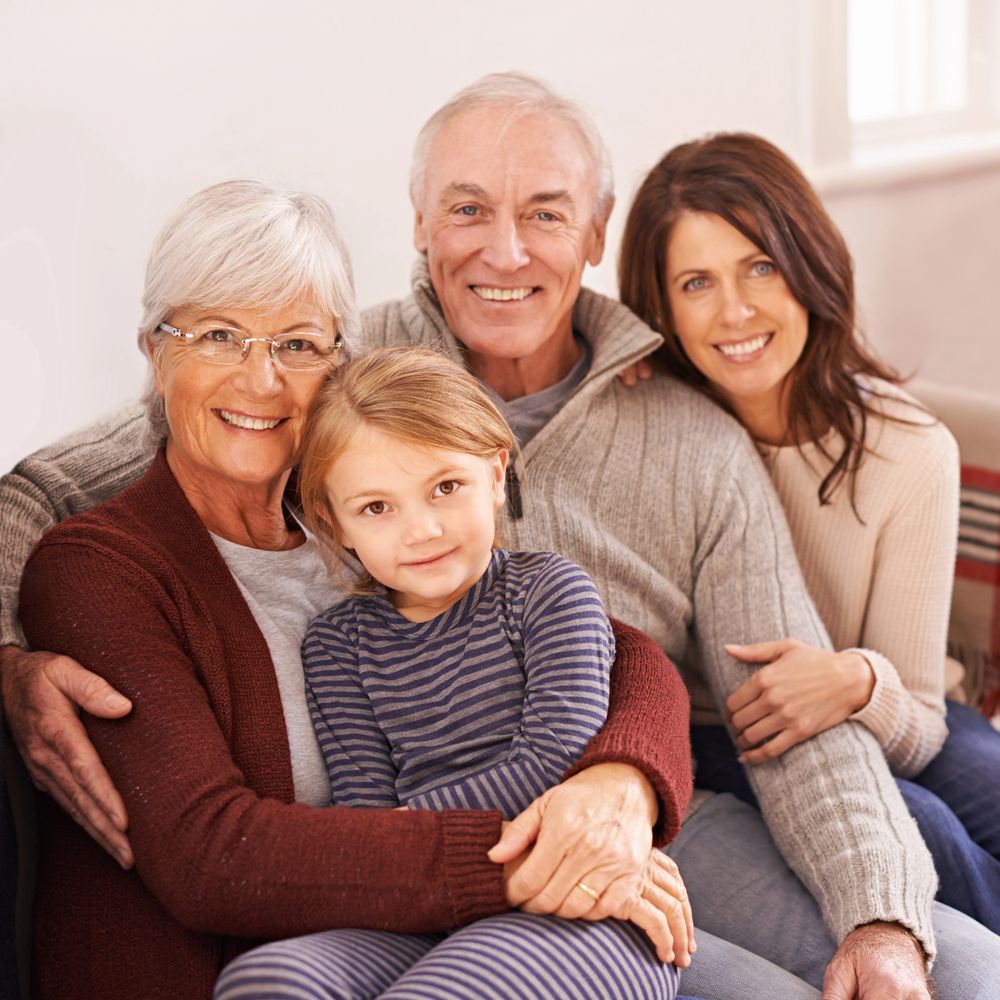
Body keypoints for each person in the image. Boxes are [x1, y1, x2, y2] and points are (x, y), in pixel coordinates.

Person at [4, 73, 1000, 999]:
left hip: (656, 803)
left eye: (546, 213)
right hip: (438, 857)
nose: (505, 251)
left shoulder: (680, 427)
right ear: (421, 223)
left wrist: (874, 914)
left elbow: (752, 695)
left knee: (957, 961)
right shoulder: (337, 372)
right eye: (469, 208)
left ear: (598, 230)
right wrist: (6, 657)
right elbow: (43, 488)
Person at [8, 179, 708, 1000]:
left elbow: (622, 654)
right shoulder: (100, 570)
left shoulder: (358, 514)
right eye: (220, 335)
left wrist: (617, 785)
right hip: (232, 963)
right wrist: (540, 849)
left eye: (298, 344)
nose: (261, 379)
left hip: (494, 921)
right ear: (155, 351)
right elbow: (210, 857)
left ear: (339, 360)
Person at [215, 346, 689, 999]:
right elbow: (365, 814)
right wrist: (424, 851)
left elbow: (557, 754)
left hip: (579, 886)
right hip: (427, 901)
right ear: (334, 521)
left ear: (495, 475)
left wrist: (417, 831)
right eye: (377, 508)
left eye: (445, 487)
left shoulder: (550, 592)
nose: (422, 530)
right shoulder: (335, 646)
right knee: (267, 978)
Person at [617, 130, 1000, 934]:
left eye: (761, 265)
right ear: (662, 308)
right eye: (697, 283)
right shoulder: (655, 431)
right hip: (725, 730)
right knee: (925, 832)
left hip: (885, 705)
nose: (737, 311)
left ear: (810, 263)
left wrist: (853, 682)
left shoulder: (908, 451)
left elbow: (921, 717)